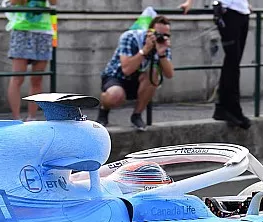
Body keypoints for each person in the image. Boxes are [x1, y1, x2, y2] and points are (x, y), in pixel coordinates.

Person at [180, 0, 252, 129]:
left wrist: (244, 4)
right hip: (227, 12)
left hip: (242, 12)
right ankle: (232, 108)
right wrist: (189, 3)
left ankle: (223, 107)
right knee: (232, 62)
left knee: (233, 63)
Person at [97, 16, 175, 131]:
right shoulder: (130, 37)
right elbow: (126, 69)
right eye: (158, 34)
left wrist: (162, 54)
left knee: (154, 74)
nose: (162, 38)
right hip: (117, 76)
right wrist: (145, 50)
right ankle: (104, 109)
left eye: (166, 35)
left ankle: (137, 115)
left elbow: (169, 74)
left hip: (139, 80)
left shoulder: (162, 44)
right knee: (116, 95)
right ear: (149, 32)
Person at [5, 0, 57, 121]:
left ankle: (32, 117)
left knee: (37, 79)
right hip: (21, 29)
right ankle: (16, 118)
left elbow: (54, 2)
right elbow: (11, 2)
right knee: (18, 77)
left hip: (43, 31)